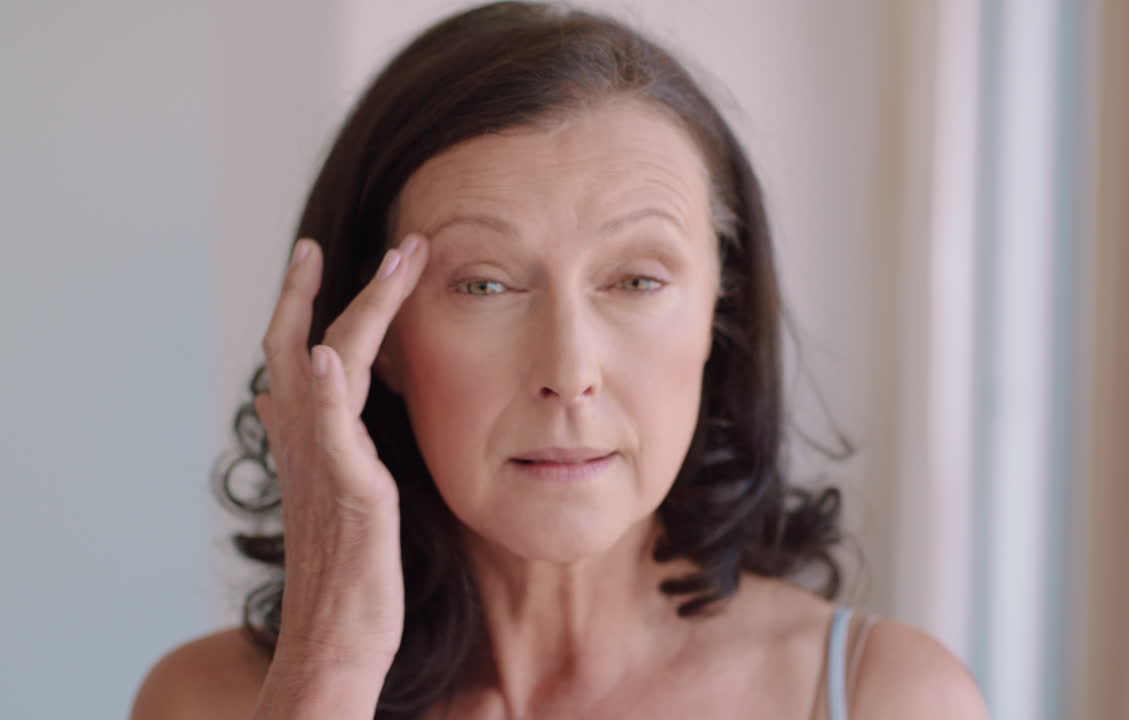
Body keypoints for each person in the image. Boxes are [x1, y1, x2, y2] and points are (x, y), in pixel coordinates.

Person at [131, 2, 988, 718]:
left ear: (720, 314)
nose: (569, 371)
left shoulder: (890, 697)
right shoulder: (211, 701)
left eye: (637, 280)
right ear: (375, 337)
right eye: (486, 285)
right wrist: (329, 666)